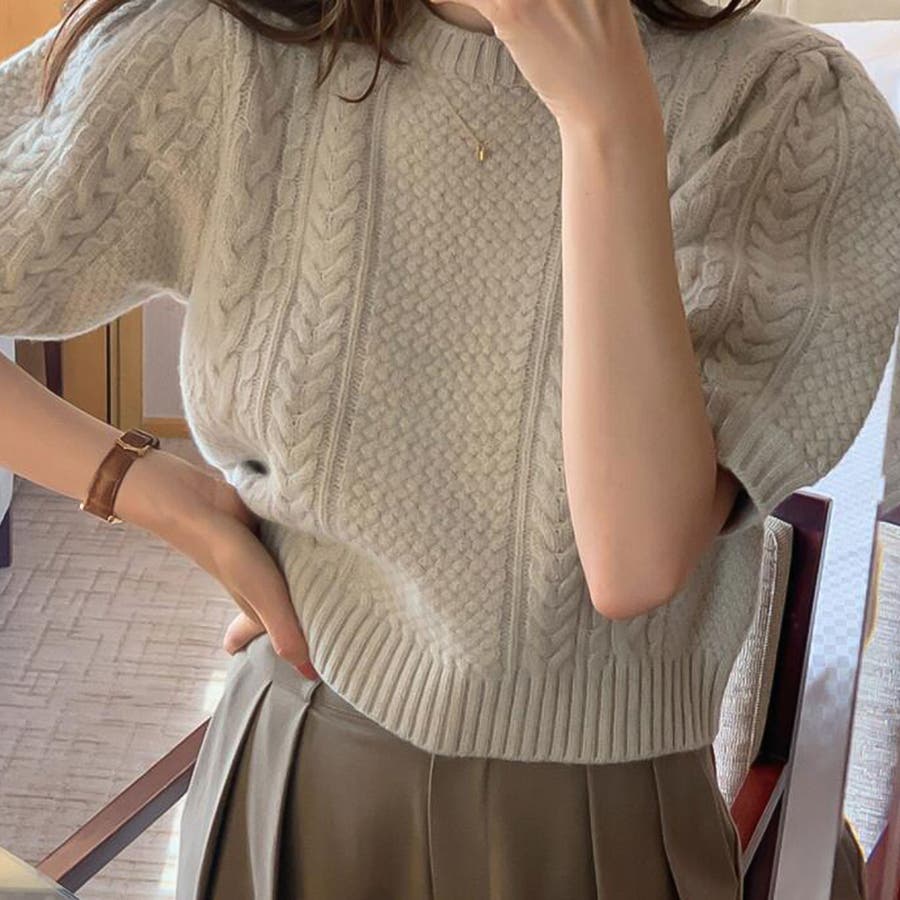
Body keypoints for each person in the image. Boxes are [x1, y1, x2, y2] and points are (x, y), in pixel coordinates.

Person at [1, 0, 898, 896]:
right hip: (294, 767)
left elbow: (634, 560)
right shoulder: (227, 48)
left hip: (607, 819)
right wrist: (136, 483)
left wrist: (609, 124)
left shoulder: (786, 106)